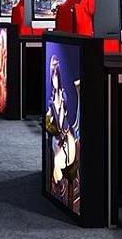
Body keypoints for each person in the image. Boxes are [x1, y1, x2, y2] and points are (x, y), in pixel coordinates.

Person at [44, 54, 80, 211]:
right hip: (58, 138)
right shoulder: (52, 100)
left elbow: (65, 119)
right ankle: (60, 188)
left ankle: (70, 188)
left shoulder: (63, 95)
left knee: (66, 159)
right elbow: (50, 123)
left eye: (56, 73)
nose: (54, 77)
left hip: (67, 134)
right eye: (52, 74)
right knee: (57, 161)